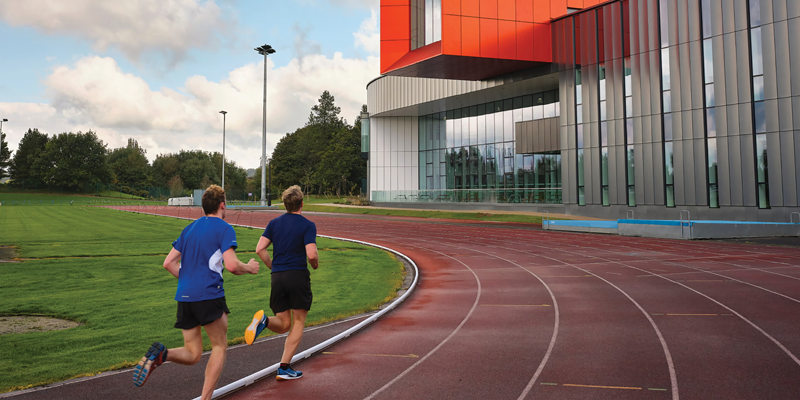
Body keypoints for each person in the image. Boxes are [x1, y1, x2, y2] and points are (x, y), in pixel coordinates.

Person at [133, 185, 259, 400]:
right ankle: (205, 398)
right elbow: (231, 265)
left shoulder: (189, 228)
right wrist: (248, 267)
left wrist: (189, 280)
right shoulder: (224, 228)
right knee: (219, 346)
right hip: (209, 295)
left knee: (193, 354)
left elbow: (168, 263)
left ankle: (163, 354)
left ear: (203, 206)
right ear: (222, 205)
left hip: (185, 296)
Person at [245, 185, 319, 381]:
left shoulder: (274, 223)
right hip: (297, 275)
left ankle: (264, 321)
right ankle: (284, 367)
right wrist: (315, 264)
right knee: (298, 322)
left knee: (284, 323)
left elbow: (260, 249)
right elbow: (311, 254)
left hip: (277, 277)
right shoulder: (307, 225)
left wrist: (273, 267)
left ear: (285, 204)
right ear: (302, 204)